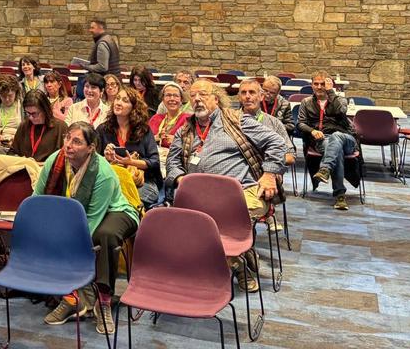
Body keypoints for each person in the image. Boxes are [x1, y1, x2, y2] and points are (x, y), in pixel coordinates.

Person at [165, 81, 288, 290]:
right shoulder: (185, 130)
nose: (196, 99)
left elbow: (276, 142)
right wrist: (180, 179)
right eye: (192, 96)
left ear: (216, 98)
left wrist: (269, 174)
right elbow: (172, 162)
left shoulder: (237, 121)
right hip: (200, 199)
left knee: (217, 223)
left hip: (242, 193)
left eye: (203, 94)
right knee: (191, 224)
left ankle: (236, 256)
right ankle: (239, 260)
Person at [36, 122, 139, 335]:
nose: (68, 146)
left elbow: (91, 222)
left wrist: (62, 238)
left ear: (91, 147)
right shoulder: (54, 162)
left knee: (104, 236)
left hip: (115, 211)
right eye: (67, 139)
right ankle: (73, 298)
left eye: (76, 141)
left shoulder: (103, 173)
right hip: (72, 215)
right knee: (49, 234)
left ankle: (103, 301)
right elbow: (38, 199)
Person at [297, 77, 356, 211]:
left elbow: (341, 111)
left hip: (346, 138)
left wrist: (331, 92)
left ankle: (325, 168)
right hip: (322, 139)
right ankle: (340, 195)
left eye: (322, 84)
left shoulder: (339, 99)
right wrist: (312, 131)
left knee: (336, 137)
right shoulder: (306, 102)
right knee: (337, 151)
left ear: (329, 85)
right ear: (311, 85)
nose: (319, 87)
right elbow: (300, 123)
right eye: (316, 84)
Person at [98, 85, 160, 208]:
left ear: (134, 108)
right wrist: (106, 158)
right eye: (118, 99)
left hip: (141, 182)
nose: (119, 103)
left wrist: (131, 162)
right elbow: (93, 161)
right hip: (113, 181)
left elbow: (154, 162)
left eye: (125, 101)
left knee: (125, 201)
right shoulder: (103, 129)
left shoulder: (144, 130)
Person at [9, 89, 66, 162]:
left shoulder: (60, 127)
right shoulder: (24, 126)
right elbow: (12, 152)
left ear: (45, 110)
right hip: (24, 168)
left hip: (47, 170)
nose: (30, 117)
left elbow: (64, 158)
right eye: (27, 113)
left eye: (34, 113)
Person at [0, 75, 23, 148]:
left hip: (17, 143)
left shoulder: (23, 105)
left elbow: (28, 131)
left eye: (10, 95)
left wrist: (15, 139)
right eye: (3, 96)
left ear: (16, 92)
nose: (7, 99)